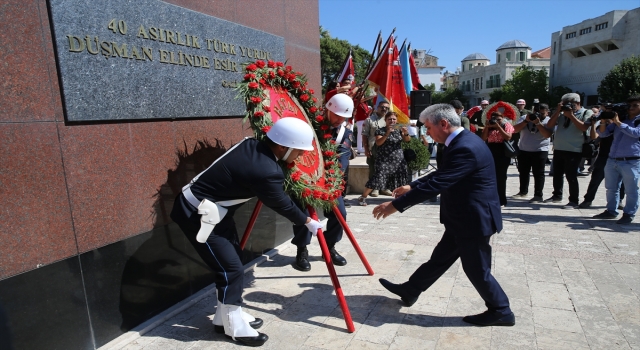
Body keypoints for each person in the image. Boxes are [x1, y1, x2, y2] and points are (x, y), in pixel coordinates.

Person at [170, 118, 323, 346]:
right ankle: (234, 326)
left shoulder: (252, 145)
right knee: (230, 269)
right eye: (299, 151)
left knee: (231, 264)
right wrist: (308, 222)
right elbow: (281, 203)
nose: (300, 157)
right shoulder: (265, 170)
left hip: (214, 213)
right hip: (198, 215)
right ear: (283, 147)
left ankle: (224, 316)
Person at [372, 103, 514, 327]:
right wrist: (412, 186)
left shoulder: (465, 147)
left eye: (428, 127)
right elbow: (444, 174)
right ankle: (411, 290)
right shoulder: (462, 141)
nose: (426, 132)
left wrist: (395, 205)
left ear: (444, 124)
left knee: (477, 269)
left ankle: (501, 310)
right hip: (462, 218)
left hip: (473, 220)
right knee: (440, 258)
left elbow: (438, 183)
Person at [291, 94, 353, 271]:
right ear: (328, 109)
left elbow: (342, 161)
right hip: (303, 178)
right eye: (336, 115)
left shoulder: (344, 134)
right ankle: (301, 249)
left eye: (343, 117)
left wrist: (330, 181)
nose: (339, 120)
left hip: (328, 182)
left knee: (340, 214)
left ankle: (330, 245)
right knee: (302, 214)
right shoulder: (310, 122)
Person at [591, 95, 640, 224]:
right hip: (613, 159)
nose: (631, 108)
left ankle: (629, 213)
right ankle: (611, 211)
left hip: (631, 160)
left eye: (635, 105)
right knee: (611, 188)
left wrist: (618, 122)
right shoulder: (622, 119)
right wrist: (603, 120)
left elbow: (636, 133)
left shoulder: (635, 121)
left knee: (631, 189)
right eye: (630, 105)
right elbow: (603, 133)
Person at [544, 93, 593, 209]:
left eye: (569, 104)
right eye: (564, 104)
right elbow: (549, 125)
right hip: (559, 148)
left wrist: (571, 116)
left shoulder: (586, 113)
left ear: (578, 103)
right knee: (557, 174)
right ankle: (557, 195)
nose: (567, 106)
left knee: (571, 176)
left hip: (574, 149)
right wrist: (557, 111)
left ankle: (574, 200)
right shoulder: (561, 114)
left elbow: (584, 127)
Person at [358, 112, 411, 206]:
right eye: (390, 119)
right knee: (377, 178)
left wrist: (406, 133)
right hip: (384, 159)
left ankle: (400, 197)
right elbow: (378, 143)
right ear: (385, 120)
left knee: (399, 178)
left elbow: (407, 140)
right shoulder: (380, 130)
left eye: (394, 119)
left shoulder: (399, 130)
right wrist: (387, 133)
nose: (392, 121)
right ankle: (363, 196)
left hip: (398, 159)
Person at [579, 107, 625, 209]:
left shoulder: (621, 125)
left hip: (619, 156)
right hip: (604, 156)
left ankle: (619, 200)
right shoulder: (603, 126)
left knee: (621, 181)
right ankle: (588, 200)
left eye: (610, 114)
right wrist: (596, 123)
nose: (608, 117)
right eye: (606, 114)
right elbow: (594, 137)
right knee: (595, 179)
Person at [512, 104, 552, 203]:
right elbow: (515, 130)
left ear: (547, 112)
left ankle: (538, 195)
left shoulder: (549, 121)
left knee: (538, 174)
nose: (538, 115)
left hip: (540, 150)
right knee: (523, 172)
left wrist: (538, 123)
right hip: (524, 149)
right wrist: (526, 121)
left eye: (542, 113)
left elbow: (547, 135)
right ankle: (523, 191)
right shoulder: (525, 118)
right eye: (536, 112)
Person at [481, 111, 514, 206]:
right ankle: (491, 197)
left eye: (499, 119)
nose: (497, 121)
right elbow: (483, 138)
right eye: (495, 119)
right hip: (491, 150)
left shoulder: (506, 125)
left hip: (503, 151)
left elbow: (508, 137)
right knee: (490, 176)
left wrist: (498, 127)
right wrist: (487, 127)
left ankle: (502, 199)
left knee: (501, 176)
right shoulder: (490, 126)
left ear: (502, 118)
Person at [362, 100, 390, 197]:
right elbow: (364, 135)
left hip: (386, 149)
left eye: (386, 108)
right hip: (373, 147)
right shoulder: (369, 120)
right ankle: (374, 188)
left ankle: (384, 188)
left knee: (385, 169)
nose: (384, 109)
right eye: (382, 107)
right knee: (374, 168)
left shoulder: (389, 120)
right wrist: (366, 149)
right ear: (377, 107)